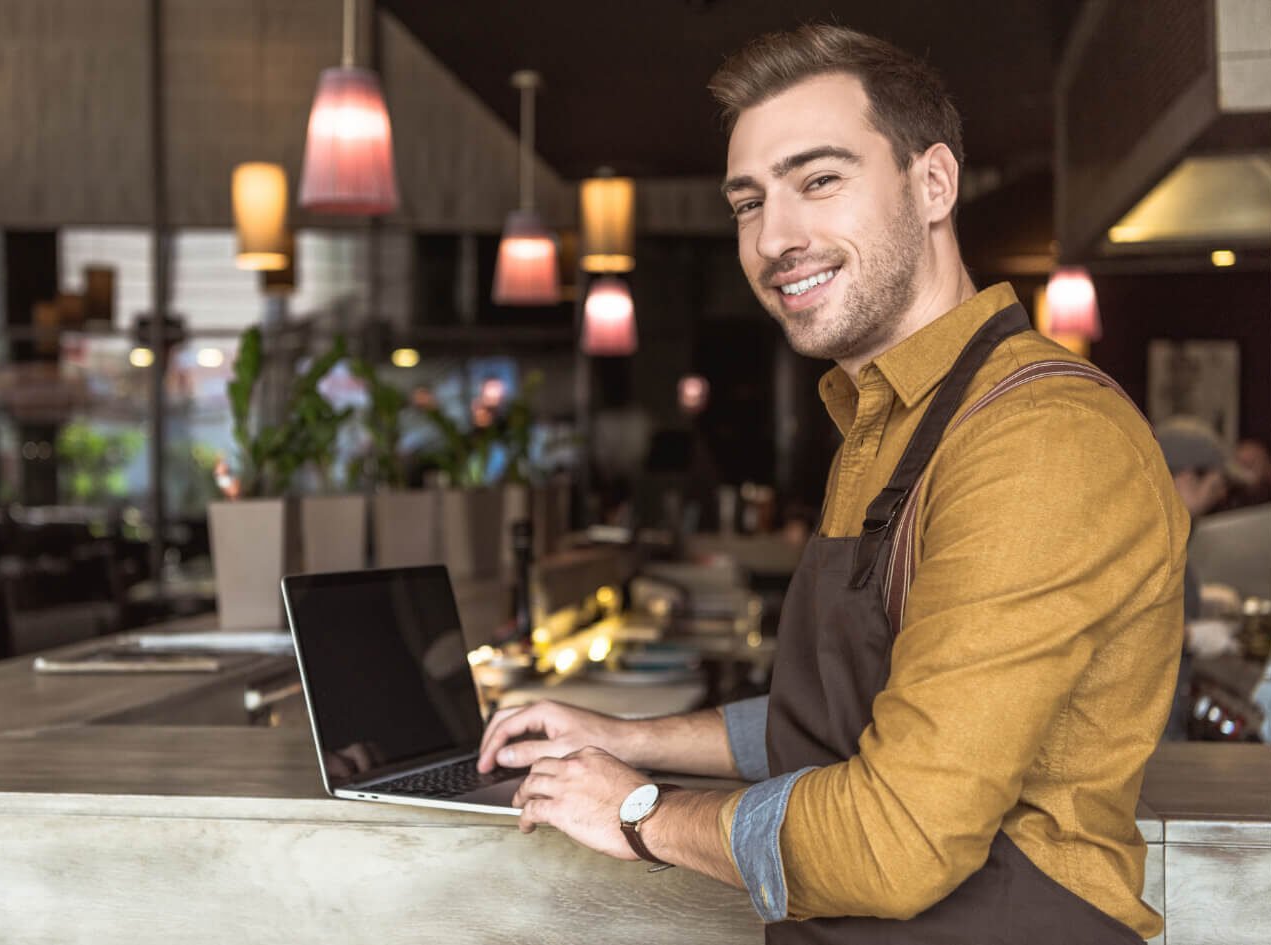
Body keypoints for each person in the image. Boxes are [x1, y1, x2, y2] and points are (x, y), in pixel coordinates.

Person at [476, 23, 1187, 944]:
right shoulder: (883, 418)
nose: (774, 238)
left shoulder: (1038, 438)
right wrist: (625, 735)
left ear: (932, 185)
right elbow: (855, 712)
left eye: (818, 180)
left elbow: (896, 841)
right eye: (747, 202)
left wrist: (639, 811)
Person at [1155, 416, 1250, 737]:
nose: (1219, 496)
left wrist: (1200, 598)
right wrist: (1190, 636)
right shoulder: (1149, 535)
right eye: (1215, 485)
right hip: (1142, 729)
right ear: (1185, 479)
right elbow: (1115, 625)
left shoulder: (1170, 532)